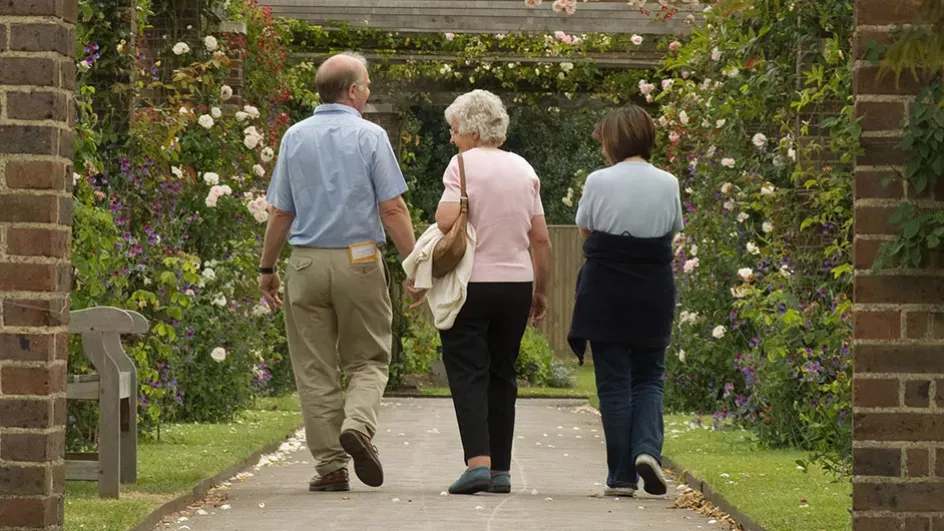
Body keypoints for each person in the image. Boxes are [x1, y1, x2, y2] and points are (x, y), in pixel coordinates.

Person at [258, 52, 416, 493]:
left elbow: (280, 211)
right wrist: (416, 265)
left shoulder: (294, 137)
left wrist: (267, 267)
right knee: (368, 359)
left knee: (314, 368)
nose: (368, 92)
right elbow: (392, 207)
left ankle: (330, 467)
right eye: (366, 85)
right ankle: (359, 425)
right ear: (352, 91)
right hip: (360, 259)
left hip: (306, 262)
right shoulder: (370, 136)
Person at [432, 89, 552, 495]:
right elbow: (541, 240)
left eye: (453, 129)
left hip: (472, 284)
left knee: (467, 370)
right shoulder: (524, 168)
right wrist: (541, 292)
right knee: (503, 373)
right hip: (516, 285)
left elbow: (447, 217)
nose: (451, 138)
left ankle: (477, 464)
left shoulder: (460, 164)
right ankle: (501, 469)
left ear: (468, 128)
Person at [568, 104, 683, 498]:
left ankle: (621, 476)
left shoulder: (599, 181)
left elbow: (585, 229)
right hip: (652, 289)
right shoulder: (668, 183)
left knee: (614, 385)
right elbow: (671, 230)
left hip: (606, 291)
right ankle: (648, 450)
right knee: (650, 376)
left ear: (614, 140)